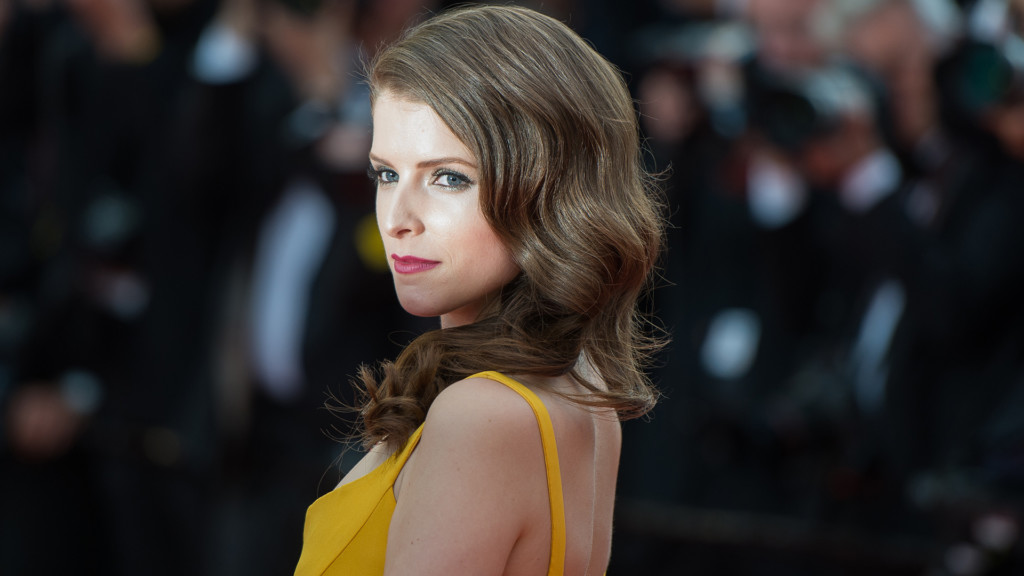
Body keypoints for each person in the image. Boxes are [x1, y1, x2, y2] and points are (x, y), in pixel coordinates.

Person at [292, 4, 665, 575]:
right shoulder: (581, 392)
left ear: (549, 189)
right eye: (387, 173)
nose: (397, 219)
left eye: (448, 178)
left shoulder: (483, 415)